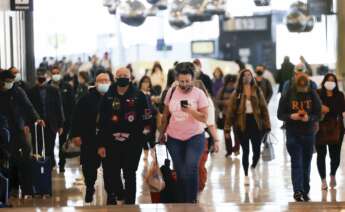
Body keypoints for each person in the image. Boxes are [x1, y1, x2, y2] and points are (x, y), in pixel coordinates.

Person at [97, 67, 153, 205]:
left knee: (129, 173)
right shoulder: (107, 96)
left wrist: (146, 142)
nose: (122, 77)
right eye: (119, 75)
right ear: (115, 78)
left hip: (133, 142)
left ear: (130, 77)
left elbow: (147, 119)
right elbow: (101, 122)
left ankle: (130, 204)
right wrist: (101, 144)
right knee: (113, 173)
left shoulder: (139, 95)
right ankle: (120, 192)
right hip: (112, 142)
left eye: (125, 75)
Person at [158, 62, 209, 203]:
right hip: (174, 137)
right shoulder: (172, 91)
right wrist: (161, 133)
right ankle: (181, 202)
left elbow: (205, 118)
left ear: (192, 79)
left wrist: (191, 111)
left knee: (191, 168)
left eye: (187, 81)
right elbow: (165, 115)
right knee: (180, 171)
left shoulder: (199, 94)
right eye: (181, 81)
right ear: (176, 79)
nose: (184, 84)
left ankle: (191, 201)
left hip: (195, 136)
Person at [277, 70, 321, 202]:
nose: (303, 90)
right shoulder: (288, 94)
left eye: (305, 87)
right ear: (296, 84)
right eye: (300, 88)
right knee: (296, 162)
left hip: (308, 133)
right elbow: (280, 114)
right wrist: (292, 116)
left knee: (306, 163)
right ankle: (297, 191)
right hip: (292, 133)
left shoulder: (312, 93)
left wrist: (309, 118)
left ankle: (305, 190)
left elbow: (318, 114)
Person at [0, 70, 44, 198]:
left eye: (11, 81)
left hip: (17, 129)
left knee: (26, 157)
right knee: (9, 159)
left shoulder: (17, 91)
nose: (10, 84)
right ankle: (12, 187)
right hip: (3, 131)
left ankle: (27, 189)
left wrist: (37, 118)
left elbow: (28, 106)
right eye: (7, 82)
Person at [69, 73, 113, 203]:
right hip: (89, 139)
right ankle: (89, 187)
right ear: (96, 83)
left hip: (109, 140)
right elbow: (75, 118)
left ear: (110, 82)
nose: (104, 83)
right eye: (101, 81)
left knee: (110, 169)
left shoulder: (114, 97)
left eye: (106, 80)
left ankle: (111, 193)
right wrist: (75, 135)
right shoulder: (86, 99)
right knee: (89, 169)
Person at [224, 69, 271, 185]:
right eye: (244, 75)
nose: (247, 77)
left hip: (256, 124)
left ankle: (253, 166)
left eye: (249, 75)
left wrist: (267, 124)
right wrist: (227, 128)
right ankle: (245, 175)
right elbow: (230, 112)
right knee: (245, 151)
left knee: (256, 150)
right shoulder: (237, 92)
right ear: (241, 77)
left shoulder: (258, 91)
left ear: (252, 77)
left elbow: (264, 109)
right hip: (241, 124)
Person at [28, 68, 65, 169]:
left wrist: (61, 124)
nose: (41, 79)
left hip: (51, 124)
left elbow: (59, 107)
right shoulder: (31, 92)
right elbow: (28, 109)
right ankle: (38, 167)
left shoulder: (54, 90)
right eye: (39, 77)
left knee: (50, 147)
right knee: (37, 147)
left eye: (43, 77)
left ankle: (49, 165)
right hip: (37, 124)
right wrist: (28, 124)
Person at [315, 73, 345, 190]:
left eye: (333, 80)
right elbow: (314, 108)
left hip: (336, 128)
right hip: (320, 128)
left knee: (335, 156)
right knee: (321, 155)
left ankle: (332, 174)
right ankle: (323, 180)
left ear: (336, 83)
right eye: (328, 80)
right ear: (324, 81)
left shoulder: (340, 95)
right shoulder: (318, 94)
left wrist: (328, 109)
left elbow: (341, 110)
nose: (330, 82)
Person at [193, 80, 220, 192]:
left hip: (202, 137)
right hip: (185, 136)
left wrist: (217, 141)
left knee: (200, 164)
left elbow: (210, 123)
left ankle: (199, 188)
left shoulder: (207, 101)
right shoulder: (187, 100)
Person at [49, 66, 75, 172]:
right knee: (50, 143)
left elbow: (72, 104)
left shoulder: (67, 86)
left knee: (62, 143)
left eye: (57, 72)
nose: (55, 75)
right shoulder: (47, 87)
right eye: (53, 73)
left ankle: (62, 164)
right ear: (51, 74)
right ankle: (51, 163)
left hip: (64, 121)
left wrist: (70, 119)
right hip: (51, 120)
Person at [215, 74, 239, 157]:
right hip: (226, 115)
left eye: (233, 83)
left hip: (236, 116)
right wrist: (224, 103)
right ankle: (229, 150)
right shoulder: (222, 90)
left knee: (237, 133)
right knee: (226, 133)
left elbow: (241, 102)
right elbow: (217, 101)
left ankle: (236, 149)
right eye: (229, 83)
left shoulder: (238, 91)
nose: (231, 84)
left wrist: (233, 103)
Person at [138, 76, 157, 161]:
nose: (146, 84)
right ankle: (145, 154)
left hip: (151, 119)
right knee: (144, 138)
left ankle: (153, 155)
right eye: (144, 82)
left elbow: (154, 108)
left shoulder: (151, 94)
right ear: (141, 83)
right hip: (142, 120)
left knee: (152, 137)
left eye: (147, 82)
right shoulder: (138, 94)